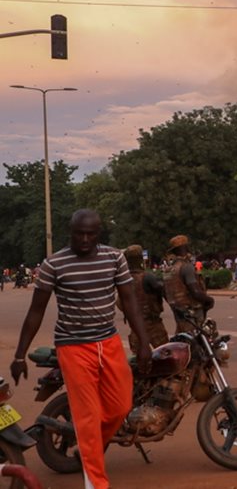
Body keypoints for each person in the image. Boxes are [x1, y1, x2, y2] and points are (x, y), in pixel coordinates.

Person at [8, 209, 151, 489]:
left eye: (91, 234)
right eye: (79, 234)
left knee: (120, 406)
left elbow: (130, 302)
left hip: (108, 342)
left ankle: (90, 446)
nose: (84, 239)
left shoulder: (114, 258)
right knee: (87, 416)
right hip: (73, 347)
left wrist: (144, 342)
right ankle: (96, 482)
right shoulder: (54, 264)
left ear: (99, 234)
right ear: (70, 232)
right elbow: (36, 311)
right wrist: (18, 355)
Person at [162, 235, 216, 334]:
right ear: (185, 248)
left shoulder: (169, 270)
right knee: (198, 340)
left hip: (178, 311)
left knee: (184, 339)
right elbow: (195, 292)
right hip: (191, 311)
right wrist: (209, 300)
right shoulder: (186, 267)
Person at [121, 245, 170, 352]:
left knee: (140, 363)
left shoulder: (124, 279)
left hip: (135, 326)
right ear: (140, 258)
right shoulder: (147, 277)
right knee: (166, 356)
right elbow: (163, 292)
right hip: (153, 325)